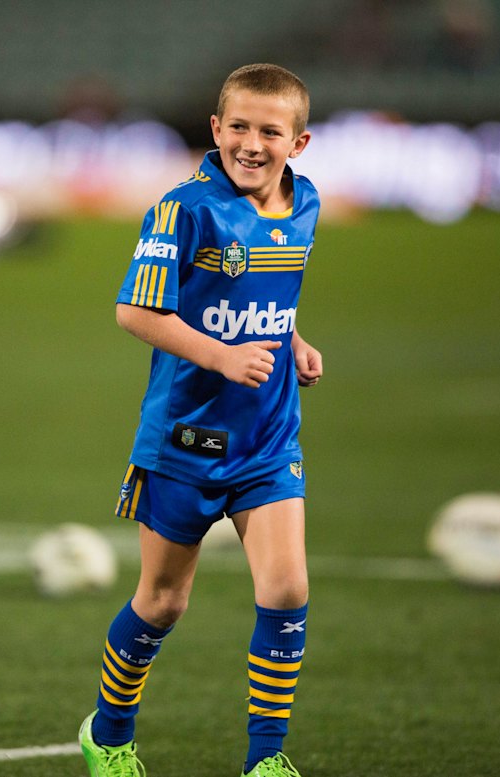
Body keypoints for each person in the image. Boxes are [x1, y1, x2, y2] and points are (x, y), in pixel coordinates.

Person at [78, 62, 322, 777]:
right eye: (238, 127)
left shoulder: (305, 203)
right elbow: (135, 310)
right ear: (215, 130)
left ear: (298, 143)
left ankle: (266, 761)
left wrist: (295, 339)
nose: (252, 143)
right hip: (186, 439)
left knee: (286, 590)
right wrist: (219, 355)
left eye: (269, 131)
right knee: (162, 600)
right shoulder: (183, 208)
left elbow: (271, 287)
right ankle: (111, 735)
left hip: (269, 437)